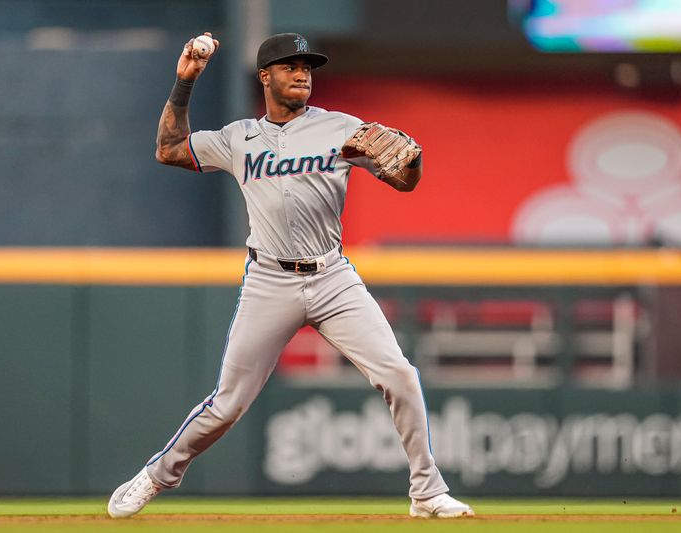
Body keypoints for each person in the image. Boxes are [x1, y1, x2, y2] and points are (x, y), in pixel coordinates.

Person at [107, 32, 473, 520]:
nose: (302, 73)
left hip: (333, 276)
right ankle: (156, 475)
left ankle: (427, 493)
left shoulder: (341, 128)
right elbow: (168, 149)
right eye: (290, 65)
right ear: (265, 76)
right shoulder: (239, 138)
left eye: (308, 66)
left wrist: (414, 160)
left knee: (400, 375)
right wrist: (184, 82)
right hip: (269, 281)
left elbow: (404, 181)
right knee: (228, 404)